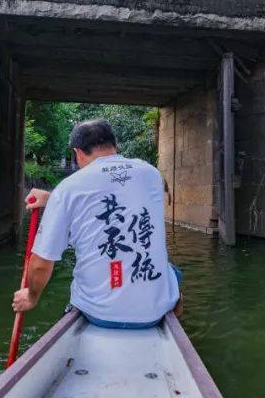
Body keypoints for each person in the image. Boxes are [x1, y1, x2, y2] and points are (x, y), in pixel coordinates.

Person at [12, 119, 182, 328]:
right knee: (171, 271)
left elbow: (40, 265)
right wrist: (52, 198)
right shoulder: (151, 174)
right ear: (115, 145)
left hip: (100, 314)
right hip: (155, 313)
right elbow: (120, 195)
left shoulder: (69, 189)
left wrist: (31, 296)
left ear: (78, 152)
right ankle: (172, 317)